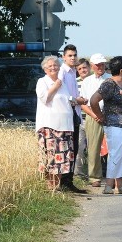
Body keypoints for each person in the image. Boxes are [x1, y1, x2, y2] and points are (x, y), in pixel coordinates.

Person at [90, 56, 122, 195]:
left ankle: (120, 184)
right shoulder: (109, 84)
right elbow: (94, 100)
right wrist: (100, 116)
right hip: (115, 125)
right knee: (115, 154)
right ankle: (109, 185)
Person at [35, 56, 75, 191]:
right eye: (50, 66)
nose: (53, 68)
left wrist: (76, 100)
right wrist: (55, 87)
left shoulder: (62, 83)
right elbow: (45, 98)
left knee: (61, 159)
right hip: (50, 126)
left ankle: (56, 187)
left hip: (64, 126)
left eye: (55, 65)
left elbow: (65, 100)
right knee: (51, 157)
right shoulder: (42, 81)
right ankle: (50, 186)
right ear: (45, 69)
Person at [58, 44, 87, 193]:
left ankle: (69, 181)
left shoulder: (73, 72)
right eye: (69, 55)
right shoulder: (62, 72)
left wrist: (79, 100)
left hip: (74, 113)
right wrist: (77, 100)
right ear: (63, 57)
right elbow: (62, 96)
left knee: (74, 148)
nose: (73, 58)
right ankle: (63, 181)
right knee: (67, 148)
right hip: (66, 114)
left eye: (74, 55)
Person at [79, 53, 111, 188]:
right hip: (93, 117)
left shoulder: (110, 79)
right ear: (92, 66)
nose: (100, 67)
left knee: (114, 147)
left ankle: (113, 176)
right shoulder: (87, 81)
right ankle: (94, 177)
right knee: (93, 148)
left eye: (102, 64)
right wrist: (94, 114)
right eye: (97, 65)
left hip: (110, 115)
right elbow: (83, 103)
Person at [74, 58, 91, 181]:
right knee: (79, 147)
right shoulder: (75, 82)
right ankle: (78, 173)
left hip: (94, 118)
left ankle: (94, 173)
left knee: (94, 148)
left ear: (89, 68)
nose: (82, 70)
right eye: (79, 69)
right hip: (81, 119)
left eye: (84, 68)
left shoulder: (93, 81)